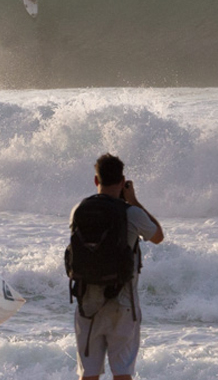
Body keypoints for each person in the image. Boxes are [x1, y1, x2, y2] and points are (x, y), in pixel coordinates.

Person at [71, 154, 163, 380]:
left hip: (87, 301)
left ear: (96, 180)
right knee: (122, 373)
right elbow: (158, 235)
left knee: (89, 374)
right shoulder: (131, 213)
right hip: (122, 303)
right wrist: (134, 201)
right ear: (123, 181)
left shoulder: (78, 210)